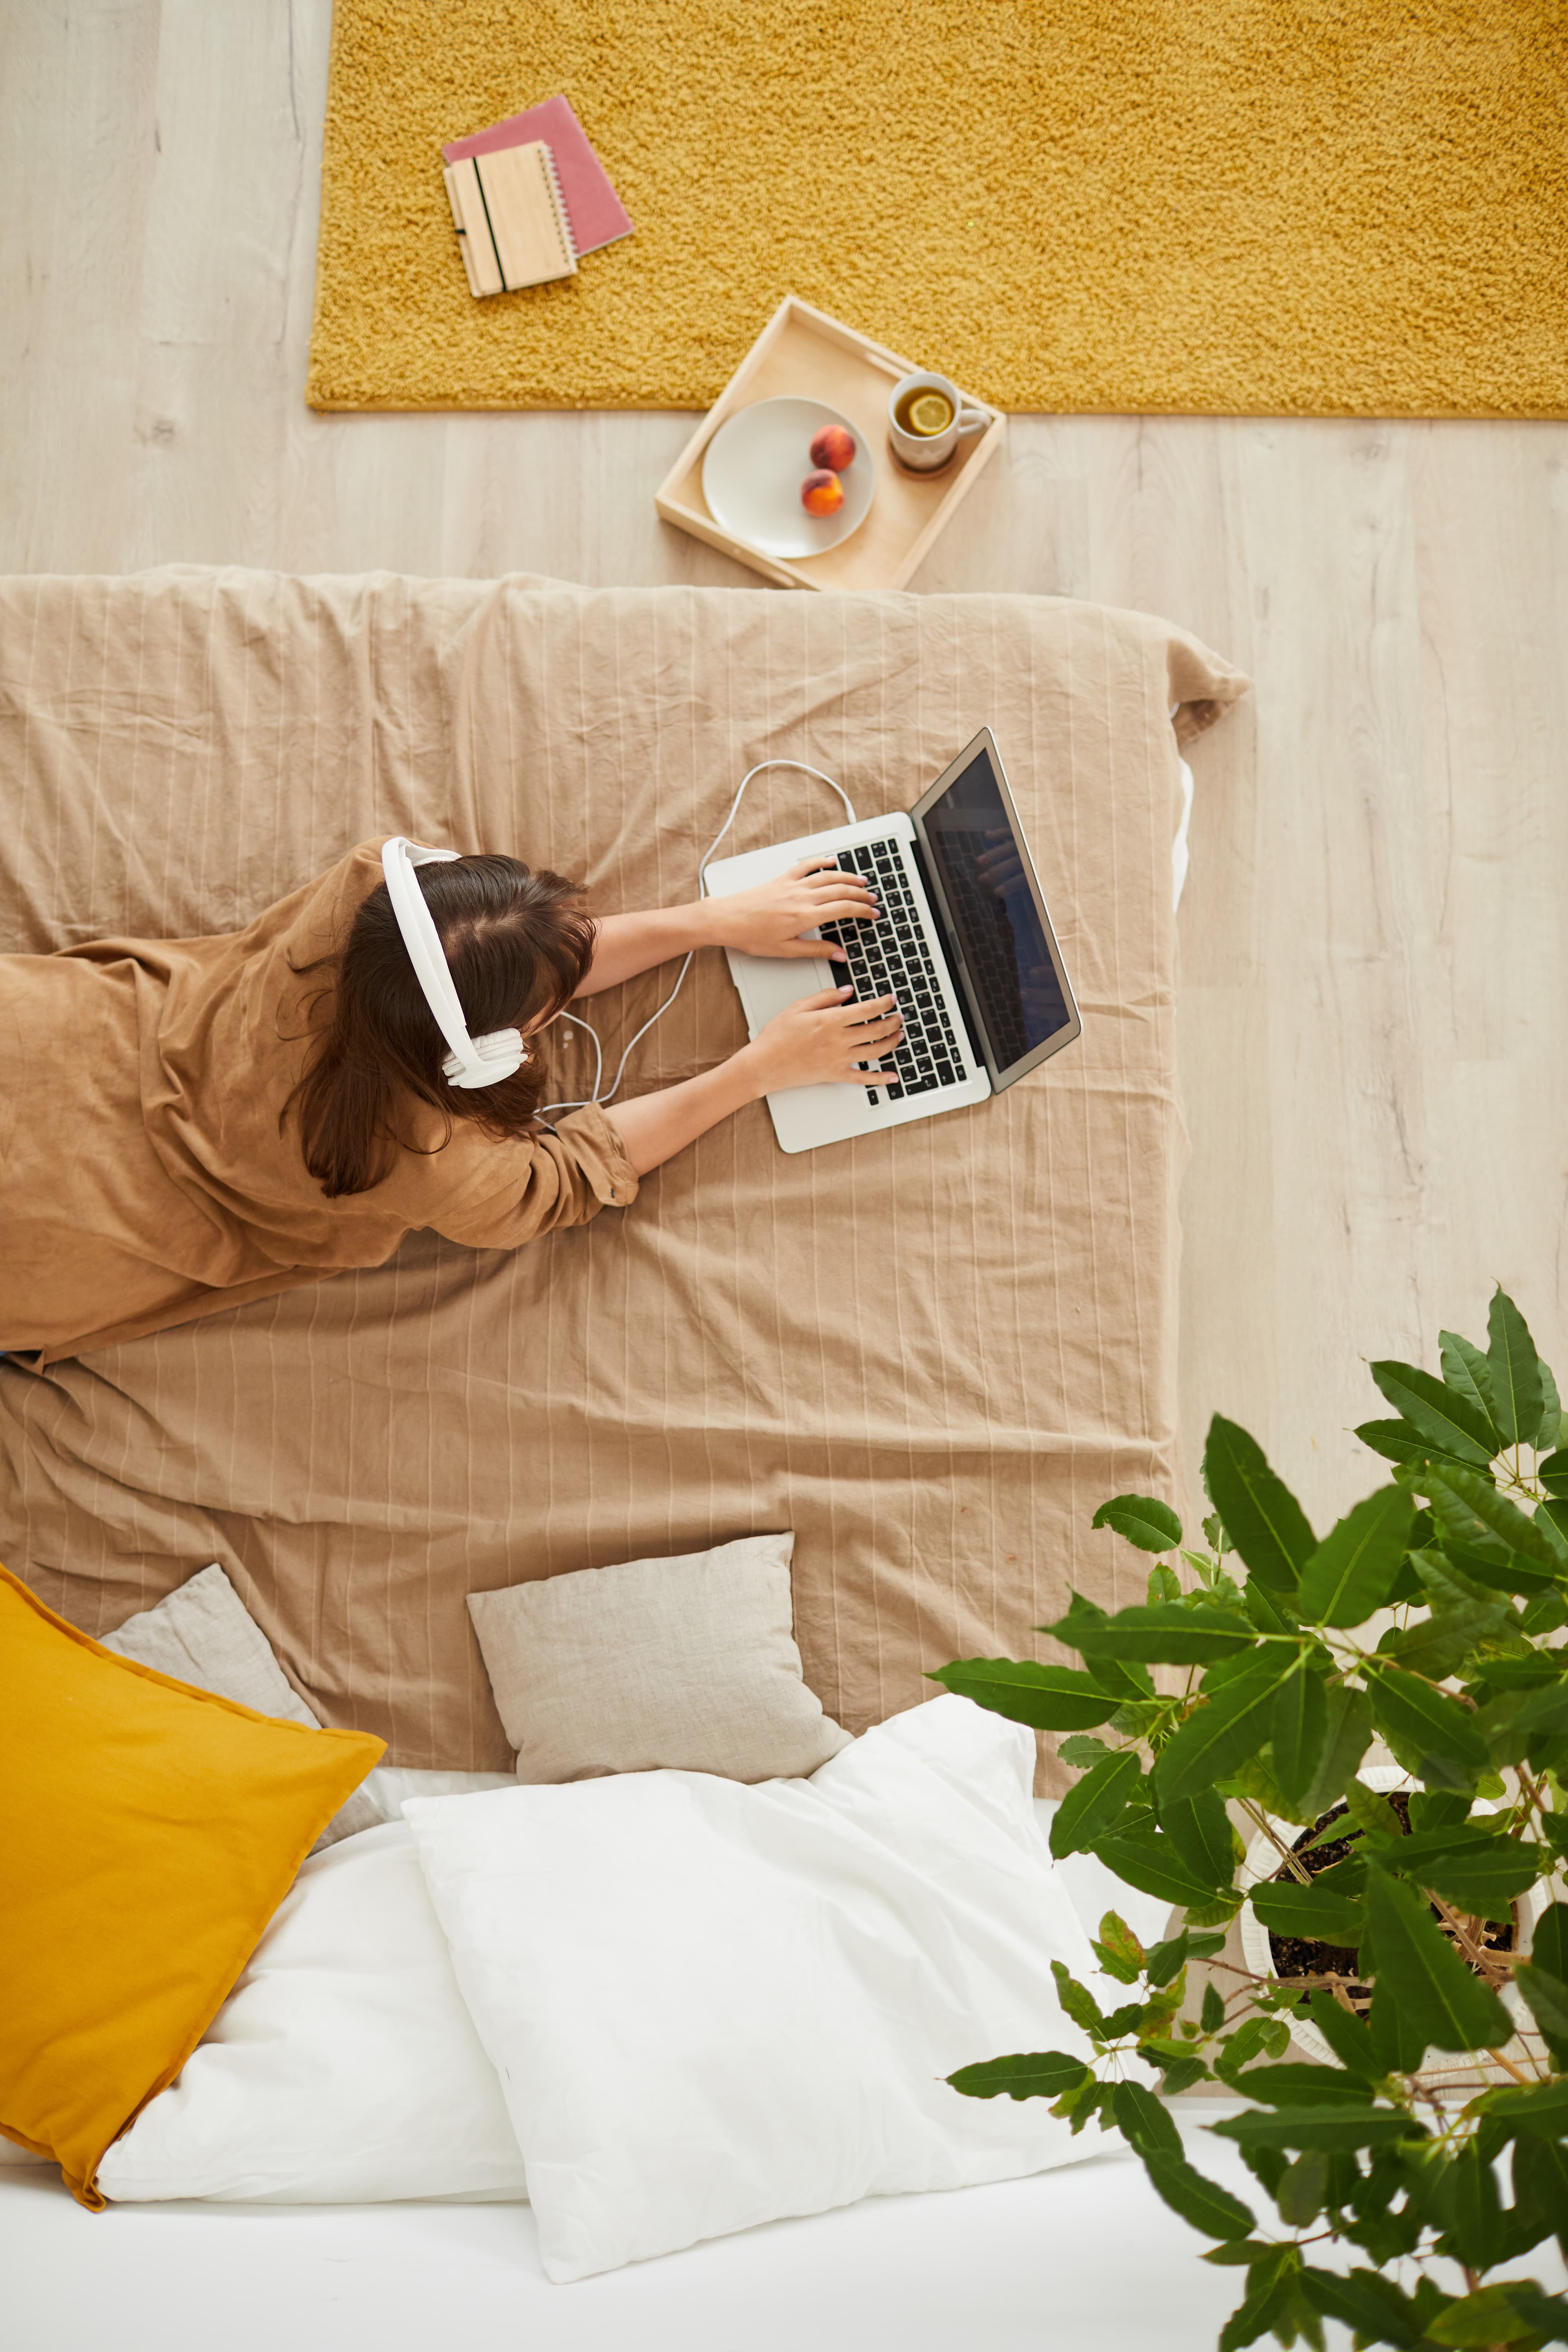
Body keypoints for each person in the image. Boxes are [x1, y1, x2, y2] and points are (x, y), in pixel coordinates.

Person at [0, 837, 900, 1361]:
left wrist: (713, 921)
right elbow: (569, 1178)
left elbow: (488, 956)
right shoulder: (434, 1161)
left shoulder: (367, 895)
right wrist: (758, 1070)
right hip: (67, 1219)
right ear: (488, 1051)